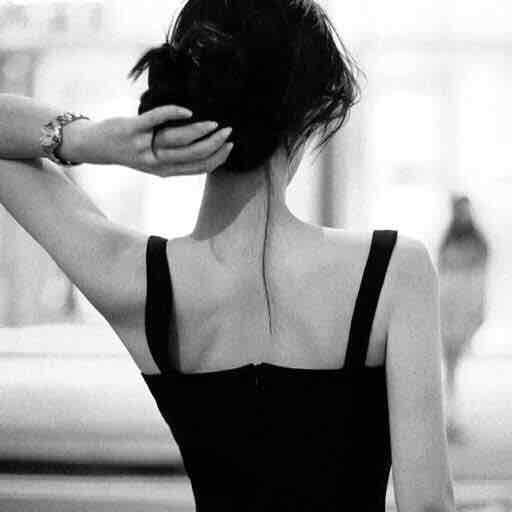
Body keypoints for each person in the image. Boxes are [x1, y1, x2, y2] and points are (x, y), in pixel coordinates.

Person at [0, 0, 455, 510]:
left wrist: (93, 140)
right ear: (307, 115)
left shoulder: (137, 280)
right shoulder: (393, 271)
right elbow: (428, 505)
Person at [438, 194, 489, 444]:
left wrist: (477, 312)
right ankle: (450, 418)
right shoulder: (448, 239)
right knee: (449, 367)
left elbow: (480, 278)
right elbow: (442, 272)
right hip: (448, 307)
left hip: (464, 308)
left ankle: (453, 417)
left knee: (453, 366)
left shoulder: (479, 242)